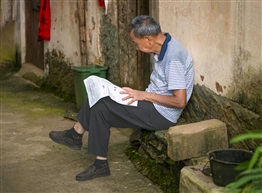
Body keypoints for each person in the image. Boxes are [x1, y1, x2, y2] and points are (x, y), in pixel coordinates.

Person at [49, 15, 194, 181]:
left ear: (148, 39)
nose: (137, 48)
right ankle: (78, 139)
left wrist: (143, 95)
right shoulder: (162, 47)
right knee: (99, 95)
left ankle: (90, 153)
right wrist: (142, 95)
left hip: (161, 113)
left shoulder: (173, 57)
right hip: (151, 102)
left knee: (102, 107)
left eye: (136, 43)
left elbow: (179, 102)